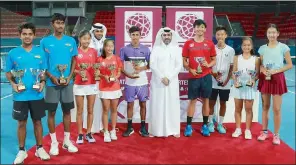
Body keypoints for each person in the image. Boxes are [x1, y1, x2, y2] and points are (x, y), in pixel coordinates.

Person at [5, 23, 50, 164]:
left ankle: (40, 148)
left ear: (34, 35)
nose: (27, 36)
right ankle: (21, 150)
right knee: (21, 123)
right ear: (20, 35)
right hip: (20, 95)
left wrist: (42, 83)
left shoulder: (41, 53)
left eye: (30, 34)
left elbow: (43, 73)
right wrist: (14, 84)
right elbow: (7, 72)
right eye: (24, 34)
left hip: (36, 95)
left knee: (38, 121)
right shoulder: (13, 53)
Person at [41, 13, 78, 155]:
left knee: (67, 111)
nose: (60, 25)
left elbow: (74, 60)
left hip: (67, 82)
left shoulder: (71, 41)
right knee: (51, 112)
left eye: (62, 23)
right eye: (57, 22)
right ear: (52, 24)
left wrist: (69, 76)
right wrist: (51, 76)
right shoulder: (45, 41)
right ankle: (54, 143)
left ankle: (67, 142)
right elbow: (43, 63)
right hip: (51, 83)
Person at [257, 24, 293, 145]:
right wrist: (263, 70)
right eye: (269, 32)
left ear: (278, 34)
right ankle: (264, 132)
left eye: (274, 32)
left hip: (278, 78)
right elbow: (260, 64)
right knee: (265, 107)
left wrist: (275, 71)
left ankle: (276, 135)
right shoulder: (262, 48)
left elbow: (289, 64)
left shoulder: (284, 47)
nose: (271, 35)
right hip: (265, 78)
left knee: (276, 109)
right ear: (266, 34)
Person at [182, 19, 217, 137]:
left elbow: (214, 60)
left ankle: (205, 125)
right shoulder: (188, 43)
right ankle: (188, 126)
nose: (199, 29)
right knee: (192, 101)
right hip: (193, 76)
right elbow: (184, 62)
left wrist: (209, 65)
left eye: (202, 27)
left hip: (206, 76)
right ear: (194, 29)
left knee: (206, 100)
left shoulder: (210, 44)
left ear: (205, 29)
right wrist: (190, 69)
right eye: (197, 27)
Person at [148, 27, 182, 138]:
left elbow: (179, 66)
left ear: (172, 36)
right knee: (157, 105)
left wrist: (169, 78)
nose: (166, 37)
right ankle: (155, 130)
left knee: (172, 105)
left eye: (168, 35)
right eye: (164, 35)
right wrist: (162, 77)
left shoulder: (177, 49)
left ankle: (174, 129)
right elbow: (152, 65)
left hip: (171, 83)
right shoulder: (156, 49)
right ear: (161, 37)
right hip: (158, 82)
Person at [120, 26, 150, 137]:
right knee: (130, 105)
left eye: (137, 35)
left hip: (142, 82)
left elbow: (150, 65)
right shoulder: (124, 49)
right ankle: (129, 127)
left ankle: (143, 127)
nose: (135, 37)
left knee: (143, 104)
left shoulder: (146, 50)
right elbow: (120, 66)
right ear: (130, 36)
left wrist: (140, 68)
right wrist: (128, 75)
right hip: (129, 82)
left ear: (140, 36)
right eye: (133, 35)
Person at [231, 37, 260, 140]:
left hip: (249, 87)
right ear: (241, 46)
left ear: (251, 46)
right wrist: (235, 80)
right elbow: (234, 72)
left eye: (248, 45)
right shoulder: (236, 58)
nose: (246, 47)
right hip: (238, 87)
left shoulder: (256, 59)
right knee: (238, 108)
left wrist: (253, 80)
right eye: (244, 45)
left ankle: (247, 130)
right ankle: (238, 129)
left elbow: (257, 74)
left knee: (248, 109)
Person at [208, 26, 235, 134]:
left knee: (223, 103)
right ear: (215, 36)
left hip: (225, 83)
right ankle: (210, 122)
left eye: (222, 34)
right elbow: (209, 66)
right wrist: (214, 75)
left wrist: (227, 81)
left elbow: (232, 67)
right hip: (213, 81)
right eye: (218, 34)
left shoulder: (231, 50)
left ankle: (220, 123)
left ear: (226, 36)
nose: (220, 36)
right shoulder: (212, 49)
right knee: (211, 103)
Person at [74, 30, 99, 144]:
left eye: (88, 39)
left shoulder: (94, 51)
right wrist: (79, 72)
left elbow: (96, 66)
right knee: (79, 111)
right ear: (79, 39)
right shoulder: (75, 52)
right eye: (84, 38)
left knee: (90, 110)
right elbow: (72, 69)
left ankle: (88, 132)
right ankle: (80, 134)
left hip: (92, 84)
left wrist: (97, 72)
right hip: (79, 84)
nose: (86, 41)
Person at [83, 23, 107, 134]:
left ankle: (101, 126)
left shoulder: (106, 42)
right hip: (90, 76)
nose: (99, 33)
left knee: (102, 101)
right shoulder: (88, 43)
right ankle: (90, 128)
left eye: (101, 31)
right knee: (91, 103)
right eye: (97, 31)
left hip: (103, 76)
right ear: (93, 32)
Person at [97, 39, 123, 142]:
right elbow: (97, 72)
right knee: (105, 110)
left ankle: (113, 130)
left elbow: (119, 71)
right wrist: (104, 76)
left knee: (114, 110)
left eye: (111, 46)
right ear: (104, 47)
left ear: (113, 47)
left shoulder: (117, 59)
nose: (109, 48)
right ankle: (106, 132)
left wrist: (115, 76)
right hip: (104, 87)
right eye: (107, 46)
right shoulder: (99, 59)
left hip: (115, 87)